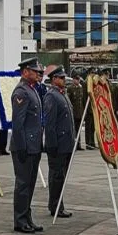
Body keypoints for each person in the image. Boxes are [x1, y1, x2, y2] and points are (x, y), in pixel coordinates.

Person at [11, 58, 45, 233]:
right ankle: (20, 220)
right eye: (34, 70)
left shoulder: (32, 90)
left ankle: (27, 217)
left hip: (33, 146)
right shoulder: (21, 92)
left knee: (30, 184)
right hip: (24, 146)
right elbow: (18, 124)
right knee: (23, 184)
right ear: (25, 72)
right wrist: (22, 146)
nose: (38, 73)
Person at [44, 66, 75, 219]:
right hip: (58, 145)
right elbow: (49, 124)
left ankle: (58, 205)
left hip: (66, 144)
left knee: (61, 177)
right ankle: (55, 206)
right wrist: (52, 145)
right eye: (61, 78)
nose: (64, 80)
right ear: (54, 79)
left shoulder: (63, 95)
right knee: (56, 177)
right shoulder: (51, 96)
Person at [67, 71, 86, 151]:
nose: (77, 81)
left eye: (78, 79)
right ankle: (73, 145)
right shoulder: (70, 88)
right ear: (73, 79)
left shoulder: (80, 88)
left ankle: (78, 144)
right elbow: (69, 101)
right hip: (73, 113)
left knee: (78, 130)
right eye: (76, 79)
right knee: (73, 130)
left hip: (79, 112)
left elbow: (82, 101)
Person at [82, 70, 96, 150]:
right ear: (89, 74)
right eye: (92, 73)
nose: (93, 75)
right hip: (88, 109)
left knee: (93, 127)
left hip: (93, 108)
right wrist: (85, 109)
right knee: (88, 127)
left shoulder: (93, 84)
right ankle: (88, 143)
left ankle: (92, 142)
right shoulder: (85, 83)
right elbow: (84, 97)